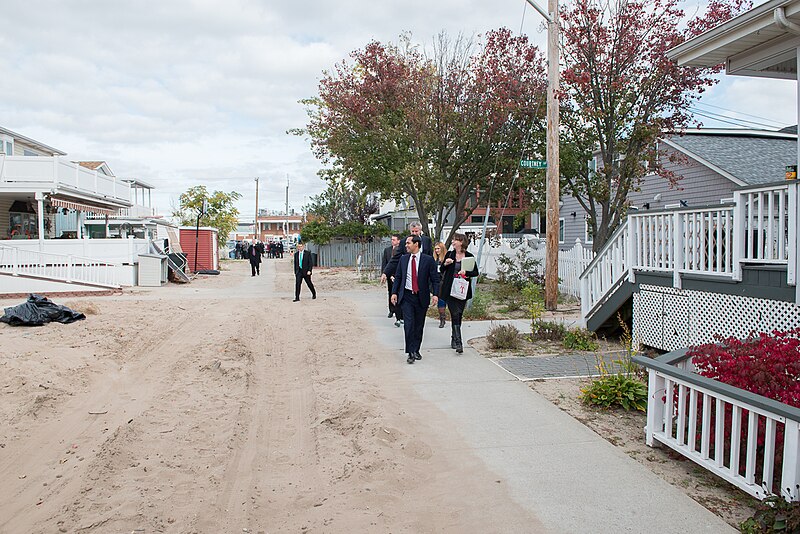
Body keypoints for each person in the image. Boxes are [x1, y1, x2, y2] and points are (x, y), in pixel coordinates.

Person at [391, 235, 440, 364]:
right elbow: (399, 277)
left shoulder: (428, 260)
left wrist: (435, 294)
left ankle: (416, 349)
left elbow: (435, 279)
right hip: (406, 296)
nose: (406, 245)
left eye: (408, 243)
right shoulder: (403, 259)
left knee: (419, 325)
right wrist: (394, 293)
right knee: (408, 324)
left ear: (416, 244)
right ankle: (410, 352)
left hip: (421, 297)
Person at [439, 233, 479, 354]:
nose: (453, 242)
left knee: (459, 314)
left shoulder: (469, 256)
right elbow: (441, 269)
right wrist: (446, 264)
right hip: (450, 289)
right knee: (454, 313)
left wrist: (465, 272)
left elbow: (475, 272)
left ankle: (453, 337)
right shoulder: (450, 254)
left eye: (455, 240)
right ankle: (459, 342)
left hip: (462, 289)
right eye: (453, 240)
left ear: (461, 242)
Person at [381, 234, 402, 319]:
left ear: (398, 241)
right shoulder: (387, 250)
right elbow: (385, 263)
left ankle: (399, 312)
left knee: (397, 293)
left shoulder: (401, 250)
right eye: (391, 239)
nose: (392, 241)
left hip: (398, 275)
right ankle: (391, 309)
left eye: (394, 239)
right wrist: (385, 273)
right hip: (389, 275)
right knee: (391, 292)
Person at [432, 241, 448, 328]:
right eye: (435, 249)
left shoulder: (446, 258)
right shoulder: (434, 259)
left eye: (438, 248)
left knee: (444, 299)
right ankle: (442, 318)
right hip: (437, 281)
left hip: (445, 281)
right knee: (440, 300)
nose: (437, 250)